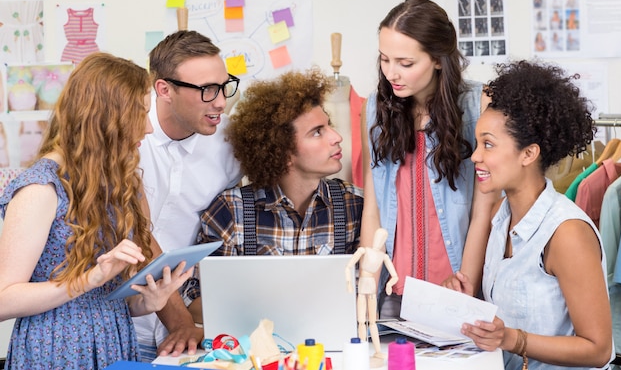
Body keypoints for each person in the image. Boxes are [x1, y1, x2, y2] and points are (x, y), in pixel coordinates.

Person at [0, 53, 194, 369]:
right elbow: (4, 299)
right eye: (140, 113)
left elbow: (107, 300)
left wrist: (148, 301)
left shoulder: (116, 185)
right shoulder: (41, 188)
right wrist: (92, 277)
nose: (147, 128)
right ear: (105, 116)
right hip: (54, 352)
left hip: (114, 345)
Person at [455, 60, 613, 370]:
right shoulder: (501, 215)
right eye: (477, 144)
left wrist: (513, 340)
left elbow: (599, 350)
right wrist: (461, 304)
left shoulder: (566, 233)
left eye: (488, 144)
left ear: (529, 153)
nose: (475, 156)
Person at [183, 68, 363, 322]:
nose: (337, 137)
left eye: (329, 126)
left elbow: (367, 298)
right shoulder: (231, 211)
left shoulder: (355, 205)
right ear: (283, 152)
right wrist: (265, 310)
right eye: (317, 132)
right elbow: (192, 297)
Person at [361, 0, 498, 319]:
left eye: (405, 63)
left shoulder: (479, 105)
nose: (392, 73)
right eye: (384, 59)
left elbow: (486, 207)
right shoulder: (375, 108)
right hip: (395, 288)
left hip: (457, 284)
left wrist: (466, 283)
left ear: (438, 60)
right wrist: (368, 279)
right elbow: (373, 205)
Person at [134, 30, 243, 361]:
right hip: (126, 321)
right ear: (164, 90)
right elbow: (138, 232)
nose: (221, 101)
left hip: (192, 331)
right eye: (207, 90)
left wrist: (192, 324)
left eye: (224, 86)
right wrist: (178, 322)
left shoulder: (230, 146)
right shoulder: (130, 136)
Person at [345, 227, 398, 365]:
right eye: (378, 236)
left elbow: (395, 276)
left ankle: (377, 350)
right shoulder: (364, 250)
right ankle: (363, 348)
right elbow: (348, 266)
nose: (379, 240)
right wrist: (349, 282)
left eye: (382, 238)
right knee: (362, 320)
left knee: (373, 321)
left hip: (371, 285)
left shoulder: (383, 256)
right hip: (363, 284)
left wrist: (389, 285)